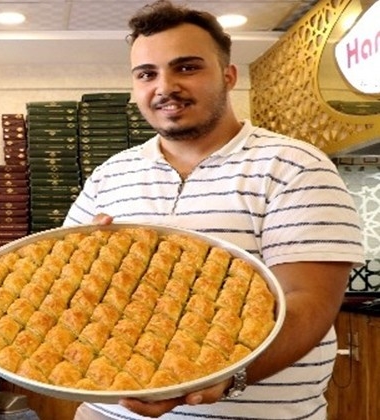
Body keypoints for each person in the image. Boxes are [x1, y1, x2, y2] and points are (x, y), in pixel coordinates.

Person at [64, 1, 364, 419]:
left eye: (186, 67)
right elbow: (67, 291)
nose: (164, 86)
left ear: (228, 75)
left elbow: (309, 302)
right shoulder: (110, 175)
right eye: (147, 74)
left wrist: (226, 375)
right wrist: (83, 268)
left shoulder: (295, 166)